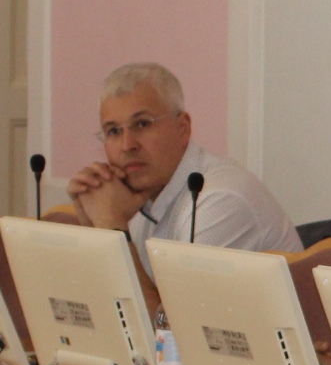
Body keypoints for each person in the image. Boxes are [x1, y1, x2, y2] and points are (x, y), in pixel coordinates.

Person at [66, 63, 298, 263]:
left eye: (143, 124)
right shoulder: (128, 195)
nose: (127, 145)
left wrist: (113, 227)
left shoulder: (218, 201)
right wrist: (94, 230)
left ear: (183, 128)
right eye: (114, 131)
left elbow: (175, 305)